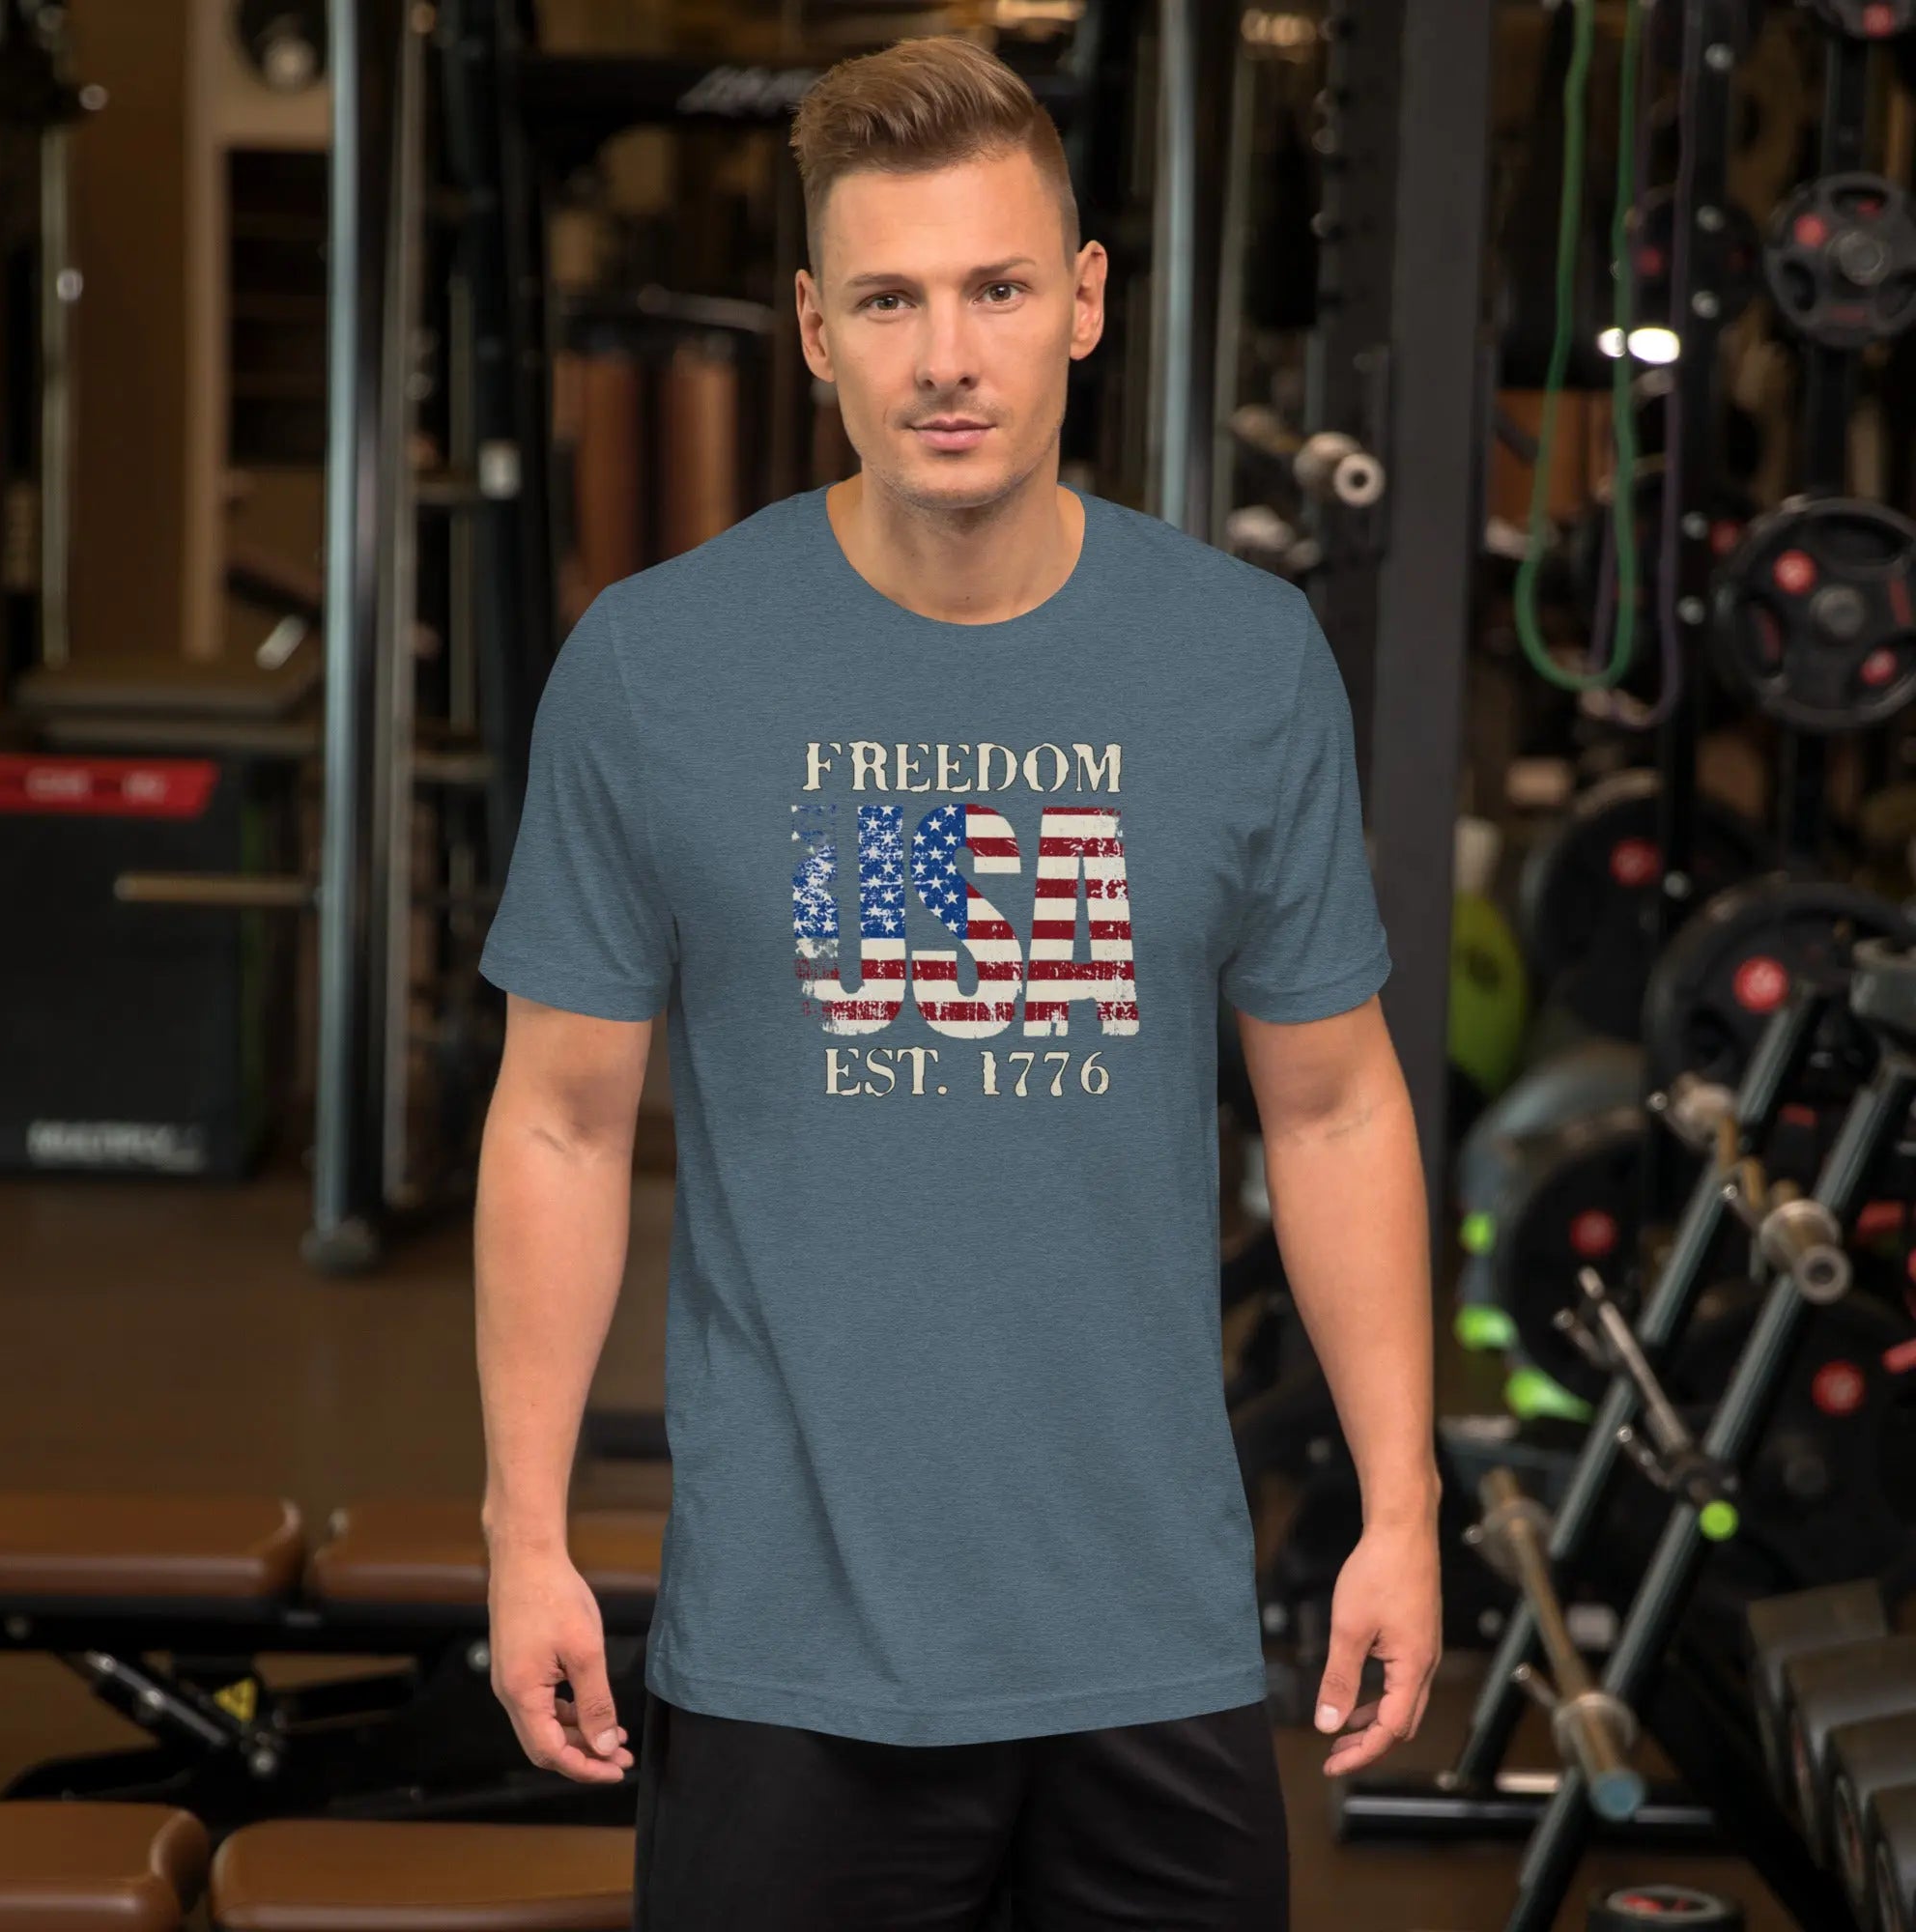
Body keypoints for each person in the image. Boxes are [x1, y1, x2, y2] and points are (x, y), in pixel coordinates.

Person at [473, 31, 1439, 1931]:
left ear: (1082, 304)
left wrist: (1397, 1510)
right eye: (892, 300)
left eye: (996, 288)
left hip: (1148, 1644)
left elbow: (1333, 1102)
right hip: (788, 1655)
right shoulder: (657, 668)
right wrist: (524, 1533)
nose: (946, 357)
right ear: (814, 328)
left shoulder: (1241, 664)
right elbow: (561, 1121)